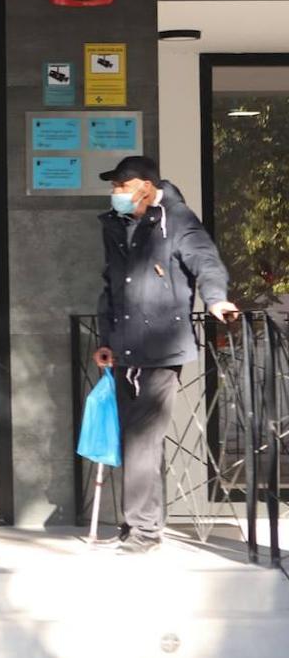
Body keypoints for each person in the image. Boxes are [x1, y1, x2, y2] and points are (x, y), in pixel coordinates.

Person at [92, 156, 239, 554]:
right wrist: (106, 338)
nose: (115, 193)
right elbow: (112, 284)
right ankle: (138, 526)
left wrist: (217, 299)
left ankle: (142, 532)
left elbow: (205, 261)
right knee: (132, 441)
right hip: (123, 347)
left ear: (143, 186)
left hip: (160, 347)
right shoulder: (118, 224)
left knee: (143, 441)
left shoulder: (177, 220)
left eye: (120, 186)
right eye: (114, 187)